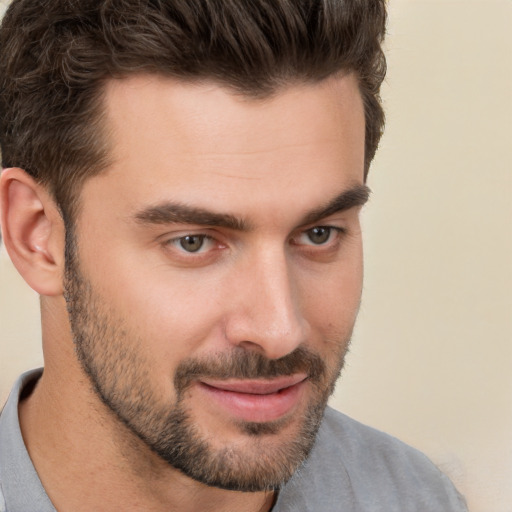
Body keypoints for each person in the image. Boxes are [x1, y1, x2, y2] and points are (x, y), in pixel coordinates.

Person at [0, 1, 468, 511]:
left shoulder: (414, 498)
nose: (278, 330)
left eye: (318, 234)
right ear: (36, 236)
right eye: (193, 242)